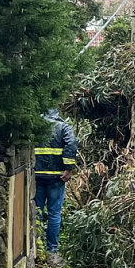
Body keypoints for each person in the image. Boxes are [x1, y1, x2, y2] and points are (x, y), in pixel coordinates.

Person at [34, 109, 78, 255]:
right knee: (54, 214)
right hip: (56, 177)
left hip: (37, 175)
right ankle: (52, 250)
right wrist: (68, 168)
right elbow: (71, 144)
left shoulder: (36, 125)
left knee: (36, 212)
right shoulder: (63, 127)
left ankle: (36, 247)